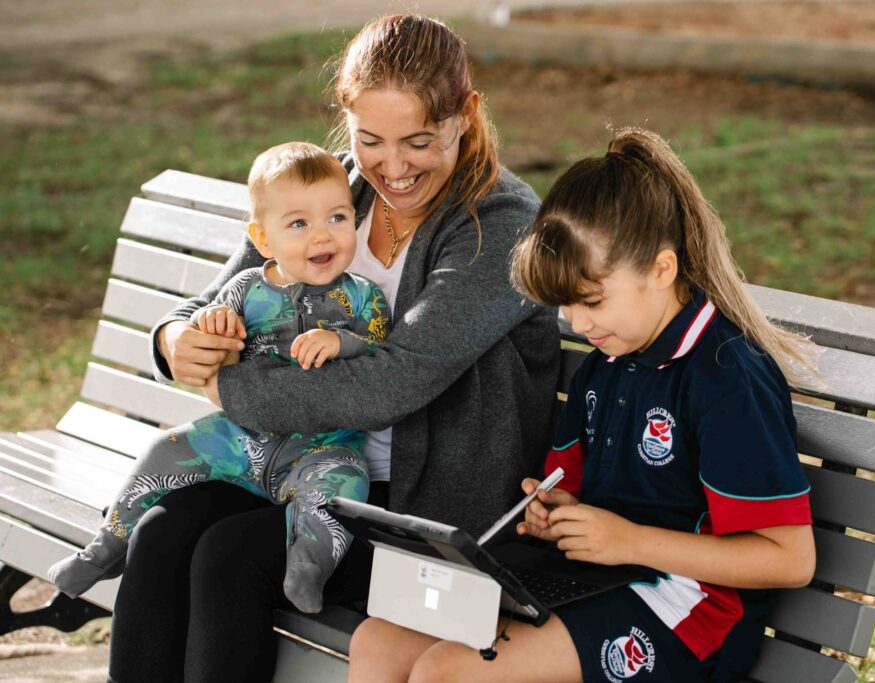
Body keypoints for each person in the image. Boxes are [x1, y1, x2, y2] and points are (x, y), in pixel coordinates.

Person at [106, 15, 559, 683]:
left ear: (467, 115)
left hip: (416, 509)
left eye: (418, 141)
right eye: (370, 139)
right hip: (295, 463)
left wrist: (231, 390)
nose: (394, 168)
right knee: (164, 528)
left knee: (231, 554)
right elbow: (221, 293)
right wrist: (176, 340)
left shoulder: (499, 222)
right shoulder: (337, 186)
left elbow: (394, 380)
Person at [348, 128, 818, 683]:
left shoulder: (725, 378)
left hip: (686, 609)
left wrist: (628, 540)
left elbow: (790, 558)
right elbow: (566, 487)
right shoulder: (607, 362)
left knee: (447, 672)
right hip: (594, 575)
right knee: (378, 641)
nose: (577, 322)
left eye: (591, 300)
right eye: (566, 304)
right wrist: (553, 513)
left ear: (662, 270)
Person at [49, 142, 389, 614]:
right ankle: (108, 544)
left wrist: (342, 343)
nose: (322, 237)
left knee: (345, 484)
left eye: (338, 218)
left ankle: (308, 567)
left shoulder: (362, 297)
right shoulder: (245, 287)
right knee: (166, 449)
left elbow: (382, 348)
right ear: (263, 240)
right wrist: (213, 326)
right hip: (240, 440)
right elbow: (210, 322)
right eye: (299, 224)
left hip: (322, 447)